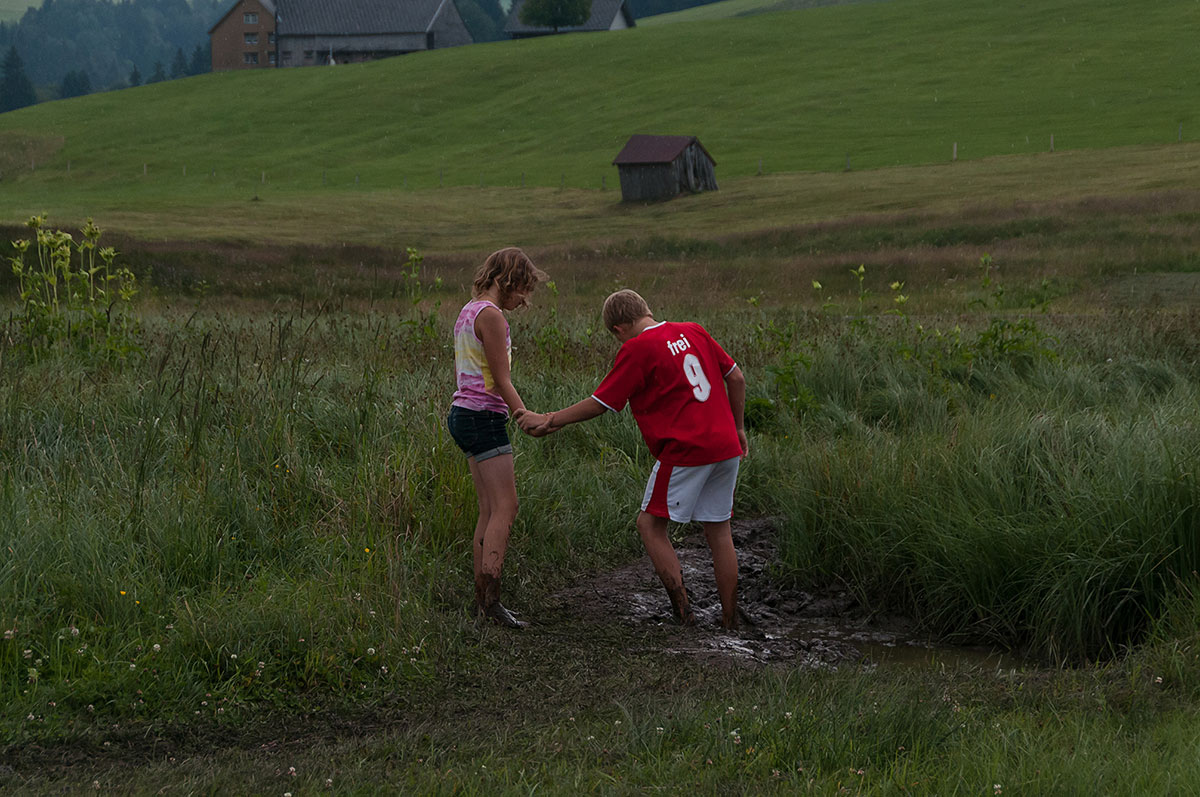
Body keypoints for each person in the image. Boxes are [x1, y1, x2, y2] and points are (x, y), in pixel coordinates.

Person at [517, 289, 747, 629]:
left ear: (618, 328)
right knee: (719, 530)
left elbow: (602, 402)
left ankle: (683, 614)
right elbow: (736, 377)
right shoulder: (693, 329)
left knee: (650, 525)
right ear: (647, 311)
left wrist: (551, 419)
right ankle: (730, 618)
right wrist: (739, 429)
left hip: (686, 449)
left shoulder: (636, 348)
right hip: (726, 445)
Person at [446, 247, 546, 628]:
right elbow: (501, 380)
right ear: (512, 280)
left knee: (488, 510)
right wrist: (525, 417)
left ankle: (482, 601)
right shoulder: (492, 317)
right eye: (525, 291)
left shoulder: (468, 310)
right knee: (507, 507)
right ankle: (491, 603)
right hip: (484, 417)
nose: (525, 301)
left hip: (464, 415)